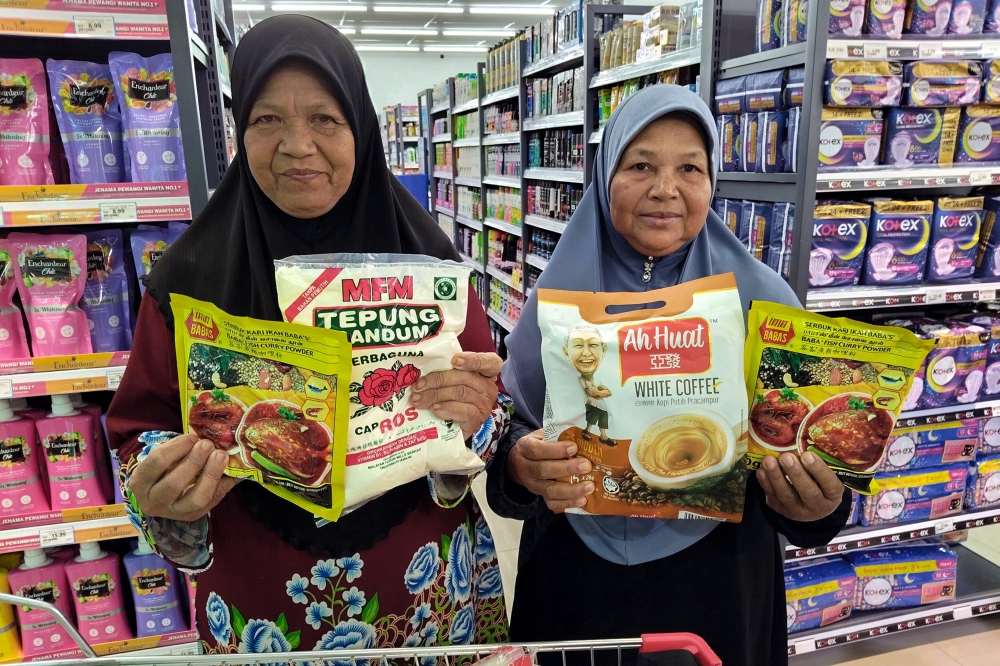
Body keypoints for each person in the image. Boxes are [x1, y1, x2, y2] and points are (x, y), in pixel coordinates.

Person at [107, 15, 511, 658]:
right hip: (263, 614)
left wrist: (474, 417)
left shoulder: (430, 264)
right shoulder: (188, 281)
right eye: (267, 120)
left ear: (362, 127)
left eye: (325, 119)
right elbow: (135, 432)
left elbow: (491, 411)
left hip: (430, 599)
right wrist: (161, 489)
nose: (297, 145)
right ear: (239, 131)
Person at [486, 85, 851, 666]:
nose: (665, 188)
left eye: (690, 167)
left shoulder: (765, 304)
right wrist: (518, 466)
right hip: (575, 582)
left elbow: (809, 470)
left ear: (712, 181)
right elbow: (507, 440)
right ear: (606, 176)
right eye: (640, 165)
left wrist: (817, 505)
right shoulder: (556, 302)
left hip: (717, 585)